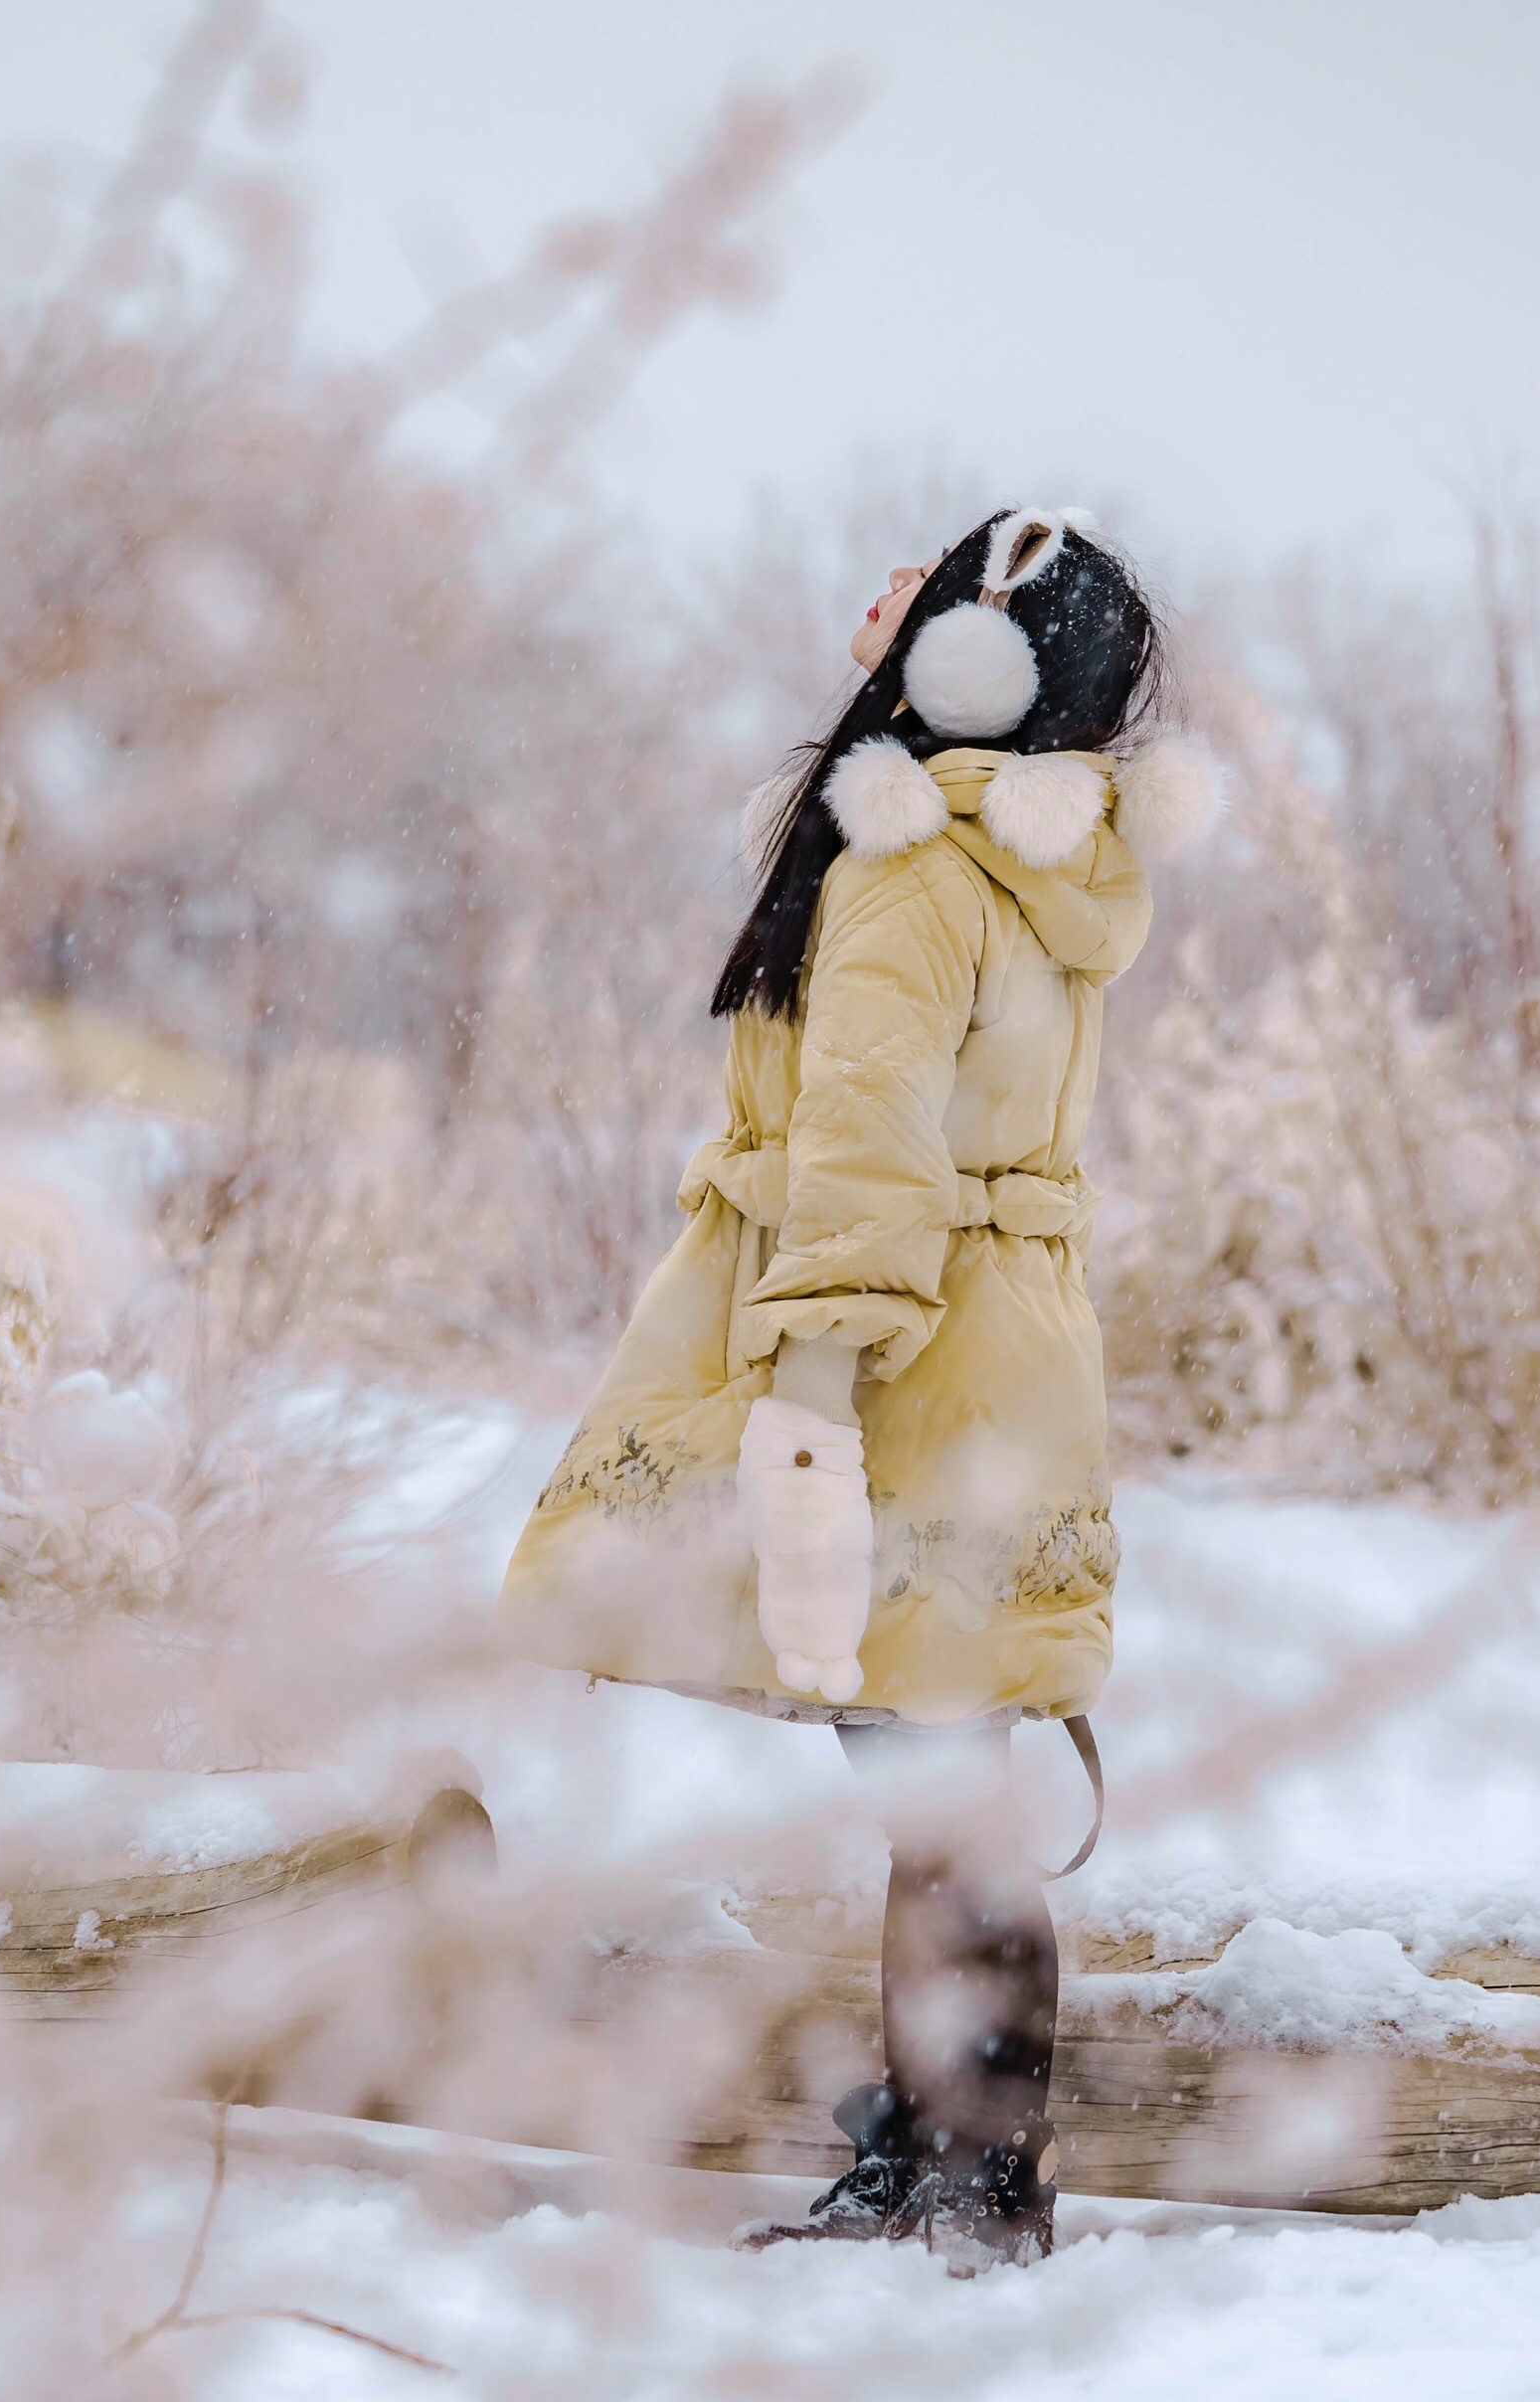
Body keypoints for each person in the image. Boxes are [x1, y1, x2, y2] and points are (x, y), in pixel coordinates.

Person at [496, 507, 1219, 2267]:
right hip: (1000, 1355)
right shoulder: (1032, 868)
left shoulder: (905, 868)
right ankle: (942, 2162)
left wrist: (806, 1400)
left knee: (935, 1792)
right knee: (942, 1784)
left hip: (896, 1364)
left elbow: (870, 1159)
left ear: (967, 660)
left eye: (910, 597)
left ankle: (970, 2186)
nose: (872, 616)